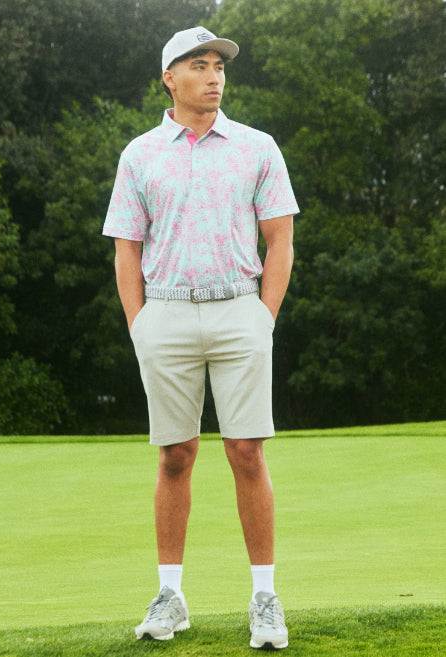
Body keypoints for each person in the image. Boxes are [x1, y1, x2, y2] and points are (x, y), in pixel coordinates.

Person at [102, 25, 299, 650]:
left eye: (219, 66)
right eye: (199, 65)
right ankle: (171, 597)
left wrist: (263, 317)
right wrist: (140, 325)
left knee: (247, 452)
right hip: (165, 313)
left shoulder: (257, 147)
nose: (214, 76)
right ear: (170, 78)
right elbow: (127, 250)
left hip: (240, 310)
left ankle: (264, 598)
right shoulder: (139, 155)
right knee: (175, 455)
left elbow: (280, 240)